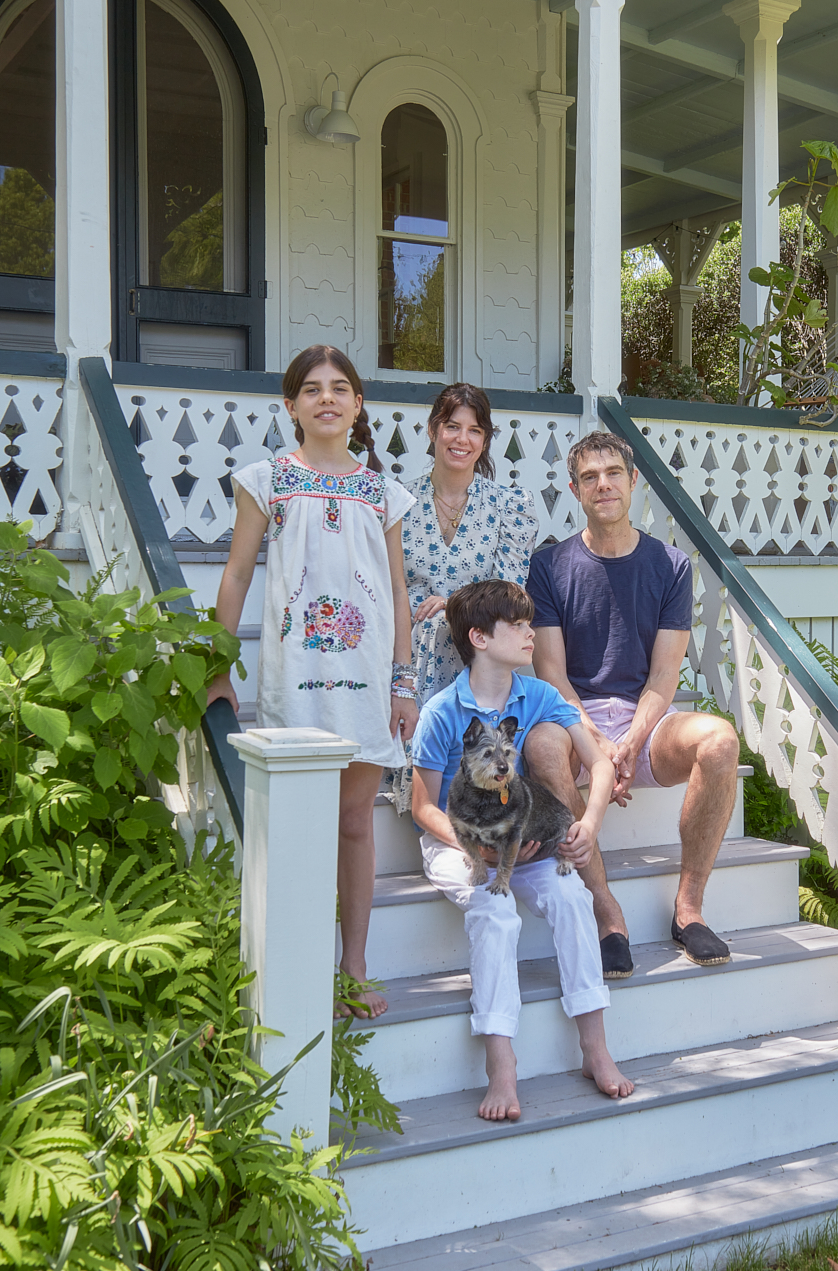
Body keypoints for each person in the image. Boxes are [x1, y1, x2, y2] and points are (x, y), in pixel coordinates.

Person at [208, 345, 418, 1018]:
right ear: (291, 404)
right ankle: (296, 967)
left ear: (358, 405)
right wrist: (217, 663)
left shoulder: (383, 491)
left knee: (356, 822)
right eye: (312, 389)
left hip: (362, 678)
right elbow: (238, 574)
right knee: (299, 825)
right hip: (296, 679)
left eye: (340, 388)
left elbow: (396, 591)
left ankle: (353, 967)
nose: (327, 398)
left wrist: (404, 681)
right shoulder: (267, 478)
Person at [409, 580, 634, 1122]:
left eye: (528, 622)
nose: (531, 632)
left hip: (524, 842)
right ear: (479, 638)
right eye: (517, 625)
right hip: (459, 844)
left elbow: (600, 763)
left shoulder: (538, 696)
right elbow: (423, 808)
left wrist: (590, 822)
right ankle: (501, 1065)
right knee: (495, 910)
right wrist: (474, 849)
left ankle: (595, 1048)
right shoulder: (442, 711)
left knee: (572, 897)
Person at [525, 431, 739, 980]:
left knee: (718, 740)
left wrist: (628, 744)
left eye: (613, 473)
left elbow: (665, 676)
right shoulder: (549, 565)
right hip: (575, 717)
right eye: (590, 477)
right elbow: (550, 672)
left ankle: (688, 909)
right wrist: (594, 743)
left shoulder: (669, 565)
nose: (604, 485)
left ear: (633, 480)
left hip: (646, 719)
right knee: (542, 745)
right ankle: (607, 913)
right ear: (575, 489)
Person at [403, 382, 538, 706]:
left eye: (474, 430)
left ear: (485, 440)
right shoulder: (399, 504)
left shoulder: (509, 506)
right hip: (408, 659)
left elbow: (509, 596)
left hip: (483, 658)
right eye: (452, 427)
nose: (462, 439)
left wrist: (454, 605)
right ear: (434, 430)